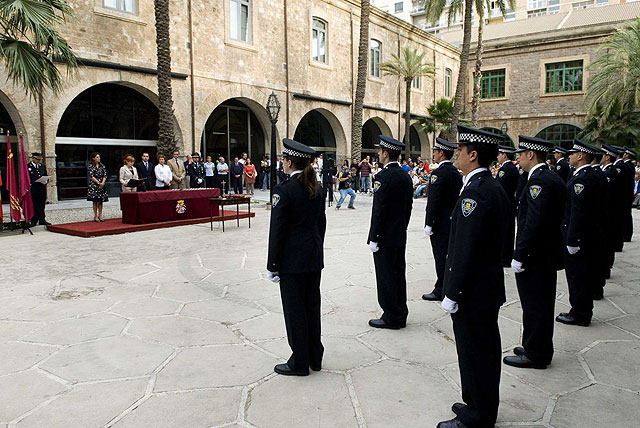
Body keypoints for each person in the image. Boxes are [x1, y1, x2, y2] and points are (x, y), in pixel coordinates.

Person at [437, 126, 510, 428]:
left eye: (460, 150)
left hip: (473, 291)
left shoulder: (476, 192)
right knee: (483, 350)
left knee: (475, 352)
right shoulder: (489, 186)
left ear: (473, 155)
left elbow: (465, 248)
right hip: (485, 287)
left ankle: (478, 415)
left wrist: (452, 292)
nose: (456, 154)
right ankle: (479, 404)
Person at [266, 138, 326, 377]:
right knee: (312, 307)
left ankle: (300, 362)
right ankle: (315, 356)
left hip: (292, 260)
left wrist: (273, 264)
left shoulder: (284, 190)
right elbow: (321, 225)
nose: (282, 163)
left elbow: (277, 230)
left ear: (289, 162)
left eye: (284, 159)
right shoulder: (317, 188)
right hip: (312, 256)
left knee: (295, 311)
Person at [505, 135, 564, 370]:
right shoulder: (545, 176)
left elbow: (533, 222)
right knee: (539, 304)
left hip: (537, 256)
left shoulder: (540, 181)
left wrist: (520, 254)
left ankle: (536, 353)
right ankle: (535, 345)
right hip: (544, 254)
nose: (518, 158)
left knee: (535, 305)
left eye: (520, 154)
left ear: (531, 154)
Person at [367, 135, 413, 330]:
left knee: (386, 276)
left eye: (380, 151)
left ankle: (391, 316)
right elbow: (408, 207)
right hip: (399, 234)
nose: (378, 154)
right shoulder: (405, 176)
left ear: (385, 154)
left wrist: (374, 237)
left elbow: (379, 210)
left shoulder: (383, 177)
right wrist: (402, 227)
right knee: (398, 274)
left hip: (385, 237)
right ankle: (400, 312)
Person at [556, 139, 600, 327]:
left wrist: (572, 239)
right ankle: (582, 310)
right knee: (584, 275)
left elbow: (578, 212)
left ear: (580, 156)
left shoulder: (581, 179)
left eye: (572, 154)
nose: (569, 157)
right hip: (590, 235)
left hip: (581, 237)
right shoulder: (593, 174)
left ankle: (580, 313)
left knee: (577, 276)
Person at [422, 138, 461, 302]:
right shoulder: (455, 173)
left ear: (441, 153)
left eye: (435, 152)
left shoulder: (438, 174)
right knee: (448, 256)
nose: (433, 154)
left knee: (440, 256)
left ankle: (441, 289)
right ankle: (447, 286)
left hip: (440, 223)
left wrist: (429, 223)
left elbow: (434, 201)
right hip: (451, 221)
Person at [496, 145, 519, 267]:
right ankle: (507, 255)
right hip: (510, 202)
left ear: (504, 155)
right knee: (508, 231)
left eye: (499, 154)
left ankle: (505, 257)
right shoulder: (512, 168)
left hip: (505, 203)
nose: (498, 157)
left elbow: (500, 188)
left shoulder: (505, 169)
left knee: (505, 231)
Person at [28, 152, 51, 226]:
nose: (38, 161)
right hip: (34, 189)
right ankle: (34, 220)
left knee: (41, 205)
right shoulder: (28, 167)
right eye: (37, 159)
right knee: (34, 205)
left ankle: (42, 219)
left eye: (39, 159)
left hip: (41, 189)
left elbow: (45, 175)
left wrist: (46, 180)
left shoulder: (42, 166)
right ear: (33, 158)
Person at [87, 152, 109, 222]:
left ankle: (100, 215)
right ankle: (95, 216)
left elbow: (105, 175)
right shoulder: (90, 166)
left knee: (101, 201)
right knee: (95, 201)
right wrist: (98, 183)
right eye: (97, 157)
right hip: (94, 185)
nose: (99, 158)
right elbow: (92, 176)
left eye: (99, 157)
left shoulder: (102, 166)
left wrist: (102, 183)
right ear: (93, 158)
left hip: (102, 185)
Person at [621, 147, 636, 242]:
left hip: (625, 194)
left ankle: (626, 235)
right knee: (627, 214)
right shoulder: (630, 165)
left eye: (624, 153)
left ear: (627, 155)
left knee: (626, 215)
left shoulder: (627, 165)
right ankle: (627, 234)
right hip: (628, 193)